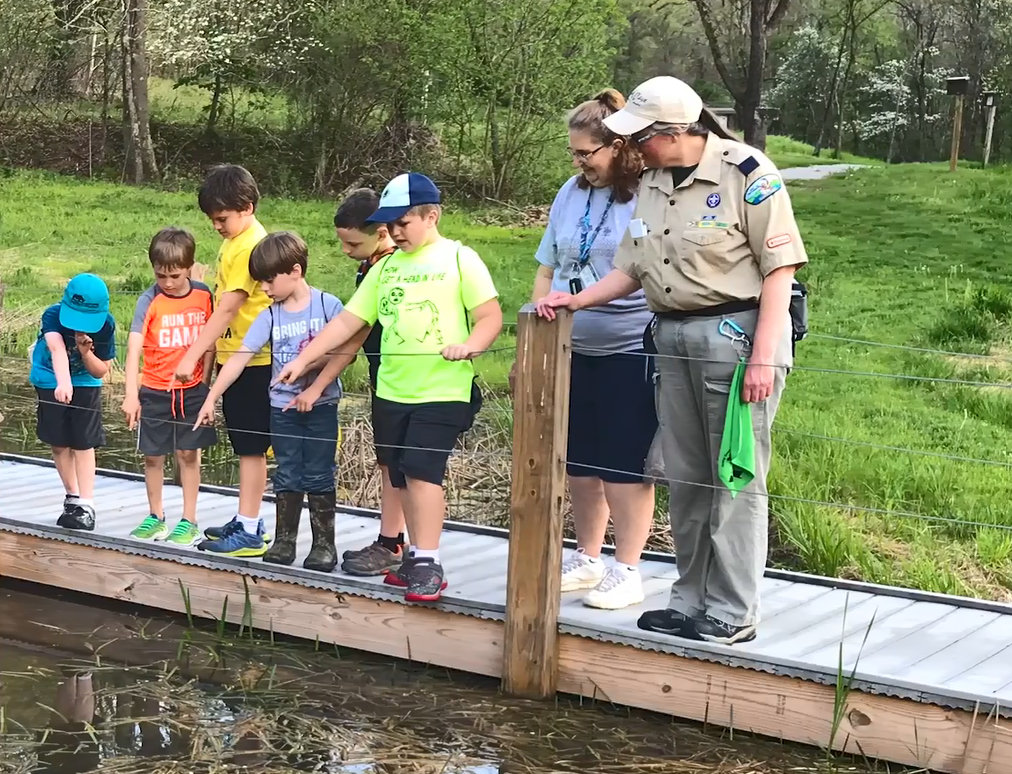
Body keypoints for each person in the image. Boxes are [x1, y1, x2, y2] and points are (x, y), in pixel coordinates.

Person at [536, 75, 806, 645]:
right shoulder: (654, 182)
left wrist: (762, 359)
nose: (633, 148)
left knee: (732, 477)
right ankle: (689, 600)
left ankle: (733, 611)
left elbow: (781, 271)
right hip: (671, 339)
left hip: (734, 339)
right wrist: (575, 299)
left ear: (674, 132)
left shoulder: (747, 174)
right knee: (686, 476)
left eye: (641, 137)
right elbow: (629, 268)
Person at [280, 173, 502, 602]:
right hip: (392, 391)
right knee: (398, 472)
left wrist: (471, 346)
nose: (394, 232)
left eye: (403, 223)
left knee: (422, 471)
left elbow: (490, 316)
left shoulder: (459, 259)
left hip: (441, 390)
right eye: (390, 224)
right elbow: (349, 322)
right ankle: (407, 554)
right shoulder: (386, 268)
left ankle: (427, 561)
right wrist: (304, 359)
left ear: (431, 216)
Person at [521, 90, 657, 610]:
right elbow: (547, 266)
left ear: (620, 147)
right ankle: (589, 557)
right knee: (579, 459)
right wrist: (539, 329)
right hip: (572, 348)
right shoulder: (570, 192)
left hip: (630, 343)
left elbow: (642, 271)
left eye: (587, 154)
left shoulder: (645, 193)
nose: (579, 163)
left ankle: (629, 569)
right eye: (574, 155)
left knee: (624, 461)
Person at [195, 232, 351, 571]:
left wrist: (310, 371)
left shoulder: (329, 306)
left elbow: (343, 354)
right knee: (288, 472)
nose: (264, 289)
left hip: (321, 407)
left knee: (320, 473)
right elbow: (239, 358)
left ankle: (324, 545)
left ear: (295, 271)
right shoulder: (269, 316)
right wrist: (212, 397)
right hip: (282, 410)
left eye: (269, 280)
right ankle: (284, 541)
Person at [174, 165, 275, 557]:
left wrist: (193, 354)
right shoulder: (235, 240)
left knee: (252, 446)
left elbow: (229, 307)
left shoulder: (252, 245)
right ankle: (246, 516)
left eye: (222, 218)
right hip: (237, 357)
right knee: (244, 444)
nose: (216, 226)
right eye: (212, 219)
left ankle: (250, 527)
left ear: (246, 207)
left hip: (257, 359)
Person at [330, 188, 409, 578]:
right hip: (383, 375)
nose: (346, 251)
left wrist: (320, 373)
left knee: (397, 463)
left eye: (352, 243)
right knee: (387, 461)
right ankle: (391, 536)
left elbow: (357, 330)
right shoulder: (370, 264)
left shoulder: (388, 266)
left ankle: (394, 542)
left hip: (401, 376)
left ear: (382, 233)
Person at [123, 228, 217, 545]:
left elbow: (210, 343)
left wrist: (204, 386)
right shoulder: (148, 300)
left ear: (189, 267)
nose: (167, 282)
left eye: (174, 275)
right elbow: (134, 346)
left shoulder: (204, 295)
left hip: (191, 391)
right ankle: (156, 516)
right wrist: (130, 395)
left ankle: (188, 520)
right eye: (160, 275)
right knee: (153, 455)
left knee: (188, 453)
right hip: (155, 389)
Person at [30, 273, 118, 531]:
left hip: (86, 382)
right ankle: (72, 495)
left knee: (83, 442)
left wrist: (85, 351)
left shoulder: (106, 326)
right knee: (58, 442)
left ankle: (86, 503)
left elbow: (101, 371)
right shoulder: (52, 315)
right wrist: (63, 382)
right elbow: (56, 349)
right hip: (50, 377)